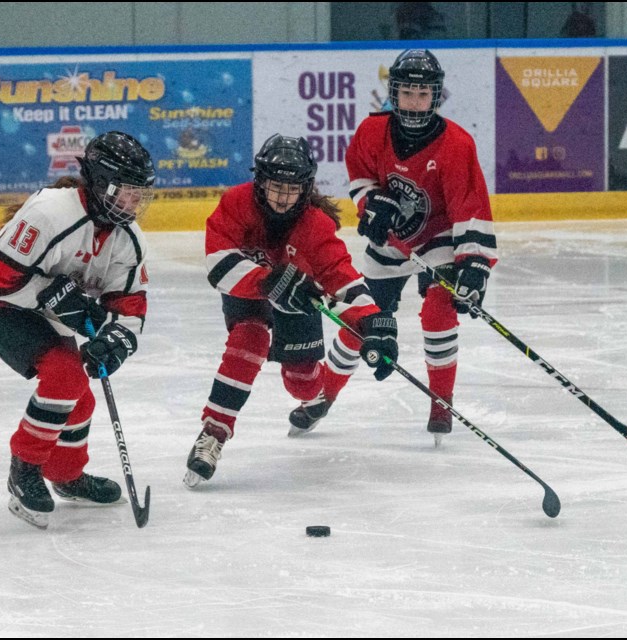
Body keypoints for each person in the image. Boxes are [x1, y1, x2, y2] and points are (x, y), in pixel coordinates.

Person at [0, 130, 155, 528]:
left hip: (41, 305)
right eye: (127, 191)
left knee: (78, 395)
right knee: (64, 377)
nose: (135, 202)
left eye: (140, 194)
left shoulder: (129, 241)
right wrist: (55, 297)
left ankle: (65, 474)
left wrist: (118, 339)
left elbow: (129, 304)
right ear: (101, 184)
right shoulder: (51, 212)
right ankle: (24, 471)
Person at [183, 133, 399, 487]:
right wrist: (269, 282)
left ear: (305, 188)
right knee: (247, 342)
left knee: (301, 384)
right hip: (249, 293)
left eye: (292, 189)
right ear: (260, 181)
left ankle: (320, 391)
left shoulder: (314, 224)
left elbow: (340, 276)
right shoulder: (236, 202)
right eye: (275, 186)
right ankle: (214, 433)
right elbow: (218, 263)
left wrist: (373, 322)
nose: (283, 197)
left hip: (299, 298)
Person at [325, 48, 497, 445]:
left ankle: (441, 399)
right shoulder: (372, 131)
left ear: (435, 96)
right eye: (407, 93)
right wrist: (371, 206)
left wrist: (473, 262)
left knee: (439, 311)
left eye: (423, 94)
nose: (415, 102)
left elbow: (469, 206)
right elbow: (360, 176)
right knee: (361, 319)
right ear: (394, 94)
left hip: (437, 240)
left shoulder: (456, 144)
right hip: (390, 244)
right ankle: (325, 392)